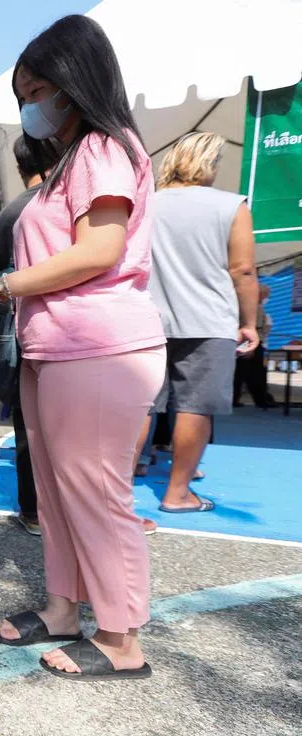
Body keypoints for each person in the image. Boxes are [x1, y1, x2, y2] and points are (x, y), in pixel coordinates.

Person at [0, 15, 165, 682]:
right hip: (58, 345)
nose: (31, 104)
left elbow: (99, 250)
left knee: (95, 491)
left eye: (40, 87)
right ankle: (63, 608)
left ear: (75, 82)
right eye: (24, 91)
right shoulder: (73, 157)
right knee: (54, 488)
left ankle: (121, 637)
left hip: (98, 344)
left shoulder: (106, 147)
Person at [135, 131, 259, 513]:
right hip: (209, 321)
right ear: (210, 163)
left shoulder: (145, 204)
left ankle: (117, 496)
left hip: (146, 318)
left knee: (139, 405)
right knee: (195, 407)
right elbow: (243, 269)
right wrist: (249, 322)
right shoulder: (231, 205)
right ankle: (177, 494)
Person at [0, 135, 55, 535]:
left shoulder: (9, 215)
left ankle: (33, 509)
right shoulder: (59, 204)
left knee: (29, 424)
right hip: (64, 332)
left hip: (20, 333)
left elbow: (2, 280)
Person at [234, 283, 277, 408]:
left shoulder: (252, 307)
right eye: (266, 294)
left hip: (246, 343)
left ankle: (255, 398)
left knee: (241, 373)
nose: (268, 297)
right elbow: (254, 329)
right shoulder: (254, 308)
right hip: (251, 343)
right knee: (254, 374)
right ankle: (261, 399)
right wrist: (250, 346)